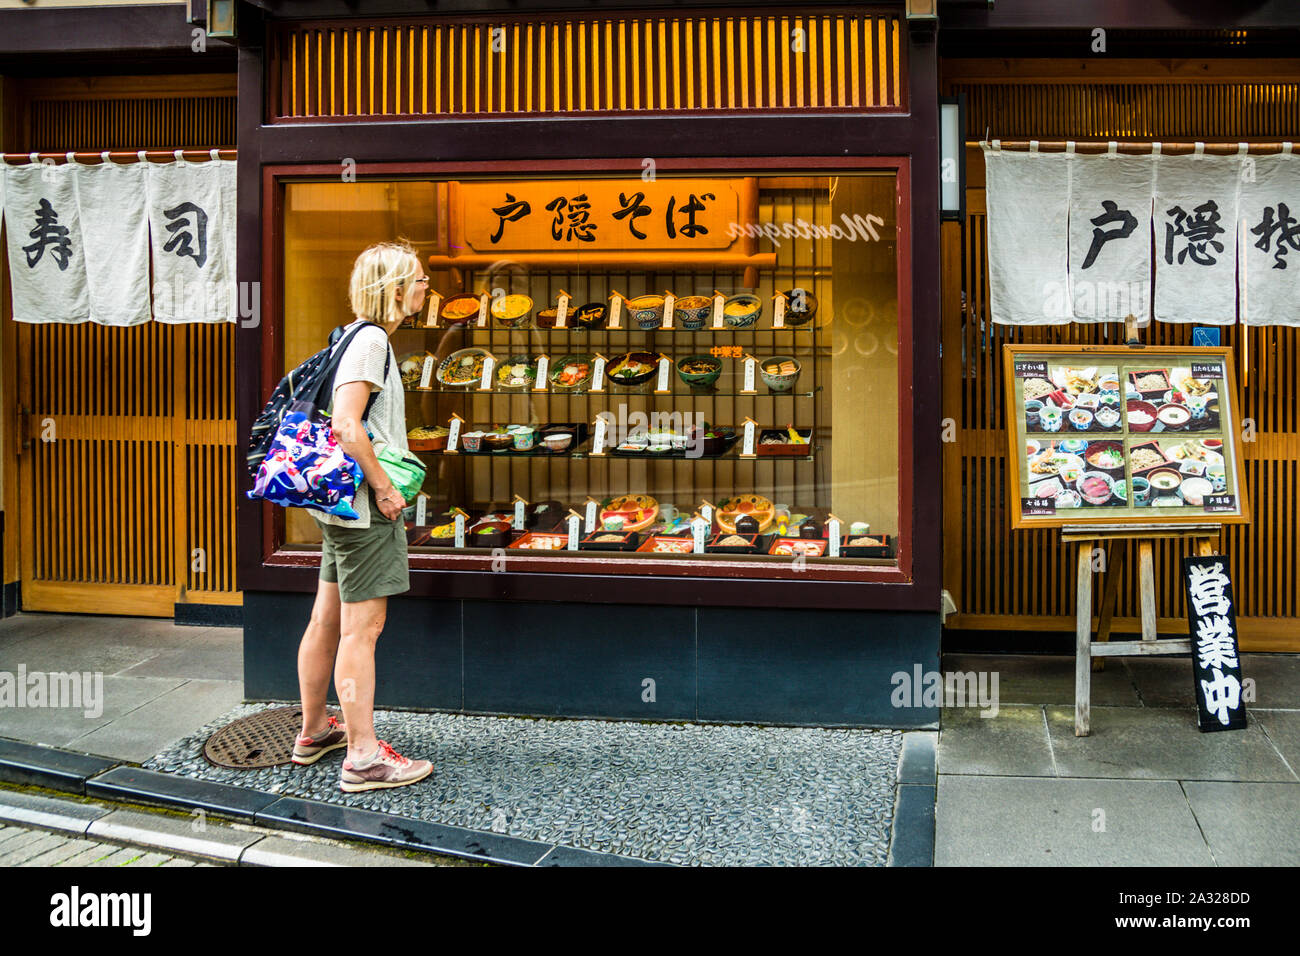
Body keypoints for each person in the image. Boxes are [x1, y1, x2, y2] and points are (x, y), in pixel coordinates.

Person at [291, 241, 434, 793]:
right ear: (396, 288)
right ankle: (364, 757)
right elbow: (349, 425)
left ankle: (314, 732)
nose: (426, 288)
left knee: (327, 618)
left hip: (337, 504)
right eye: (419, 280)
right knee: (362, 630)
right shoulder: (372, 340)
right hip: (362, 502)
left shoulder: (349, 335)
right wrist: (385, 490)